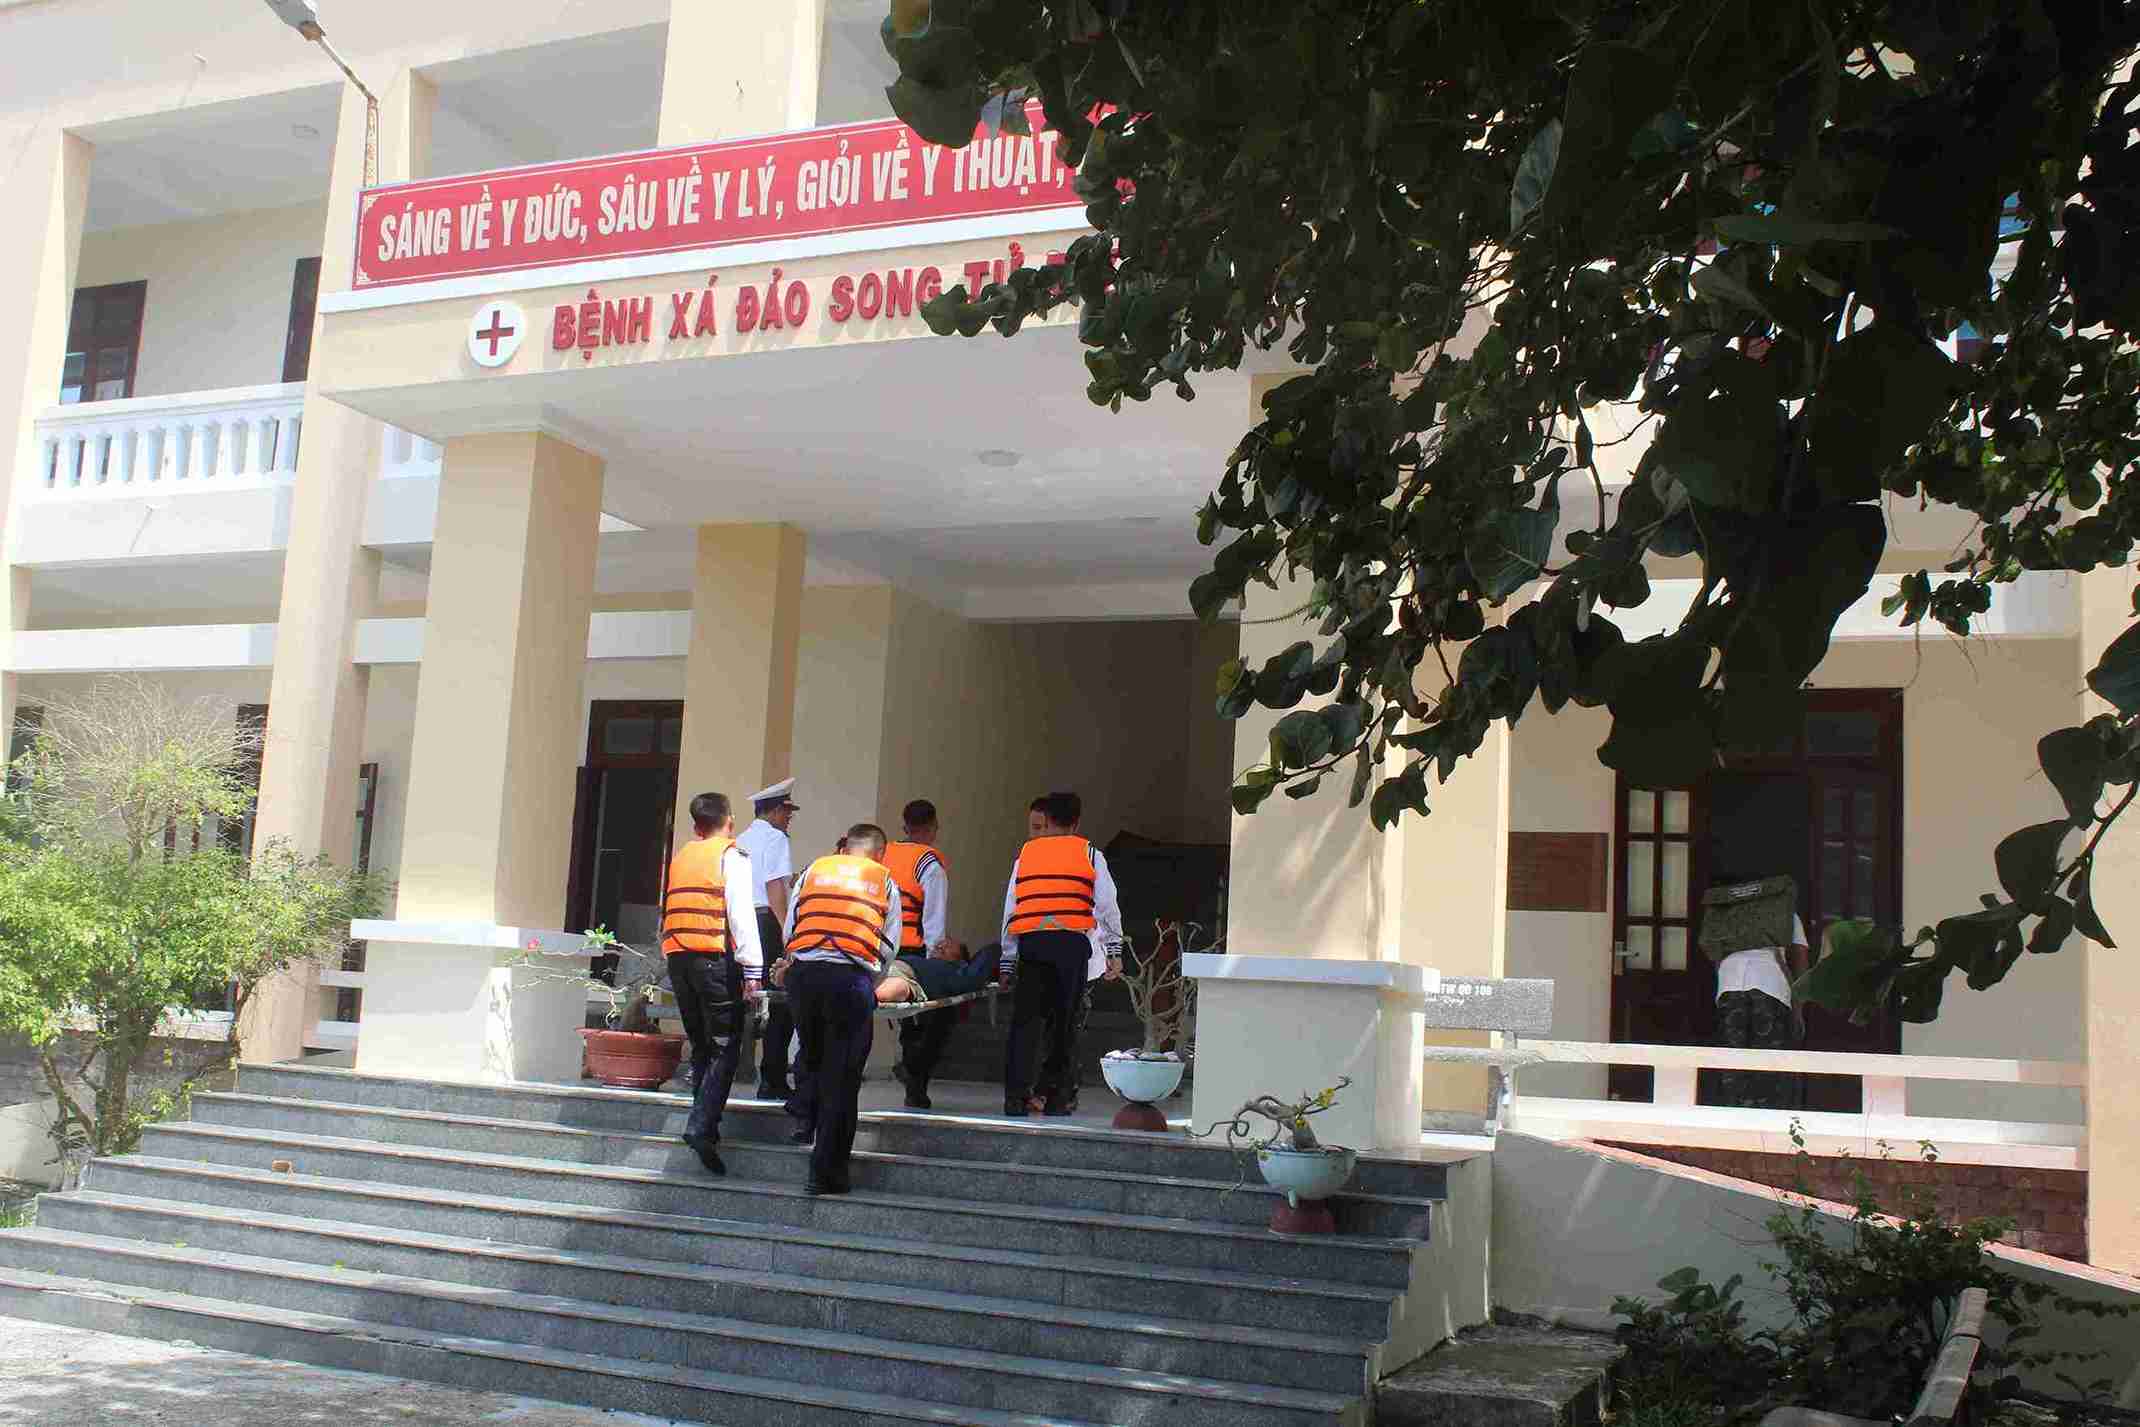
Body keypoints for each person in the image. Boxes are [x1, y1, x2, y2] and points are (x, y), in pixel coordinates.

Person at [783, 822, 902, 1195]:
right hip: (849, 980)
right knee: (842, 1077)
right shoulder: (883, 880)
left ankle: (807, 1130)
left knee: (814, 1062)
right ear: (880, 854)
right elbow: (889, 944)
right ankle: (826, 1172)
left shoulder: (814, 871)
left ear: (847, 847)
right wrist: (867, 977)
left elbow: (791, 929)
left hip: (804, 977)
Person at [658, 791, 763, 1177]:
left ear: (695, 825)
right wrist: (753, 970)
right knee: (724, 1046)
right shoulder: (730, 855)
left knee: (702, 1044)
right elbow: (740, 913)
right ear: (729, 821)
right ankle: (701, 1126)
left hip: (679, 957)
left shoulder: (682, 855)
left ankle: (706, 1124)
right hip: (714, 959)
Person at [1000, 790, 1122, 1117]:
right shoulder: (1090, 853)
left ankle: (1015, 1097)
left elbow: (1011, 909)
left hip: (1032, 944)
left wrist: (1007, 960)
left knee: (1025, 1023)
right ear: (1076, 822)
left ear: (1048, 820)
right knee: (1065, 1024)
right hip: (1071, 945)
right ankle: (1057, 1098)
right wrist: (1113, 950)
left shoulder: (1026, 855)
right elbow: (1108, 906)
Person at [884, 798, 961, 1109]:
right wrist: (937, 958)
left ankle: (911, 1071)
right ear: (932, 827)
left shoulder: (883, 854)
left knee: (908, 1021)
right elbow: (933, 918)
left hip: (883, 949)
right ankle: (916, 1076)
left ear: (904, 826)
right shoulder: (929, 863)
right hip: (915, 950)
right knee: (936, 1014)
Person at [1710, 875, 1810, 1109]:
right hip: (1771, 986)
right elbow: (1801, 958)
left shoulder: (1727, 913)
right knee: (1767, 1060)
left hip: (1730, 984)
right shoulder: (1785, 912)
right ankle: (1763, 1117)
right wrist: (1799, 1008)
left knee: (1733, 1059)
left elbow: (1714, 952)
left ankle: (1734, 1116)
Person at [737, 778, 800, 1100]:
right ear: (774, 811)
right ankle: (772, 1079)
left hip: (740, 925)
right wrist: (788, 932)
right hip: (767, 923)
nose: (789, 818)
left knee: (741, 999)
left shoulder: (740, 839)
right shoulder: (776, 839)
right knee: (782, 999)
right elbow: (776, 888)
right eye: (787, 812)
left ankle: (730, 1069)